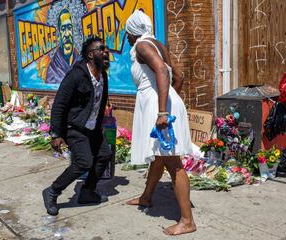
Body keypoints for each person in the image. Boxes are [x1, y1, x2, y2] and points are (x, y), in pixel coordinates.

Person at [124, 10, 197, 236]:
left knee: (172, 162)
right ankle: (147, 197)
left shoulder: (142, 46)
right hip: (162, 104)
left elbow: (164, 76)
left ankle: (187, 221)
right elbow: (179, 77)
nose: (127, 38)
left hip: (160, 109)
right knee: (159, 156)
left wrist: (163, 111)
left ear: (134, 31)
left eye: (127, 33)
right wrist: (168, 102)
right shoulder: (157, 44)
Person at [42, 36, 112, 216]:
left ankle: (88, 191)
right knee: (84, 161)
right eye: (101, 49)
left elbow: (99, 101)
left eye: (106, 50)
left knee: (104, 154)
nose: (106, 52)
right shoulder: (76, 75)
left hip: (93, 128)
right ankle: (52, 191)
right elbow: (59, 104)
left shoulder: (102, 75)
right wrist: (56, 133)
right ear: (90, 55)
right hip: (74, 127)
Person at [46, 8, 79, 84]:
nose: (67, 34)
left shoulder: (80, 61)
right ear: (59, 34)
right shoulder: (53, 68)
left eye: (69, 28)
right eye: (63, 29)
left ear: (74, 31)